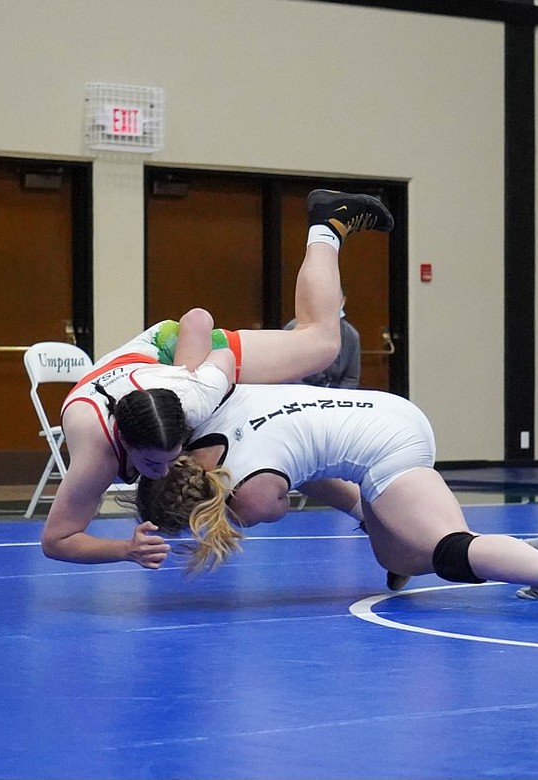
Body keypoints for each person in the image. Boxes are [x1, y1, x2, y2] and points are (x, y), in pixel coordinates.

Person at [41, 190, 394, 566]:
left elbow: (196, 321)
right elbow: (57, 539)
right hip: (127, 386)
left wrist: (207, 375)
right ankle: (370, 518)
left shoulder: (191, 397)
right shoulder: (96, 456)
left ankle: (328, 223)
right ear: (124, 442)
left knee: (321, 345)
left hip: (171, 351)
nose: (161, 472)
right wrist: (123, 550)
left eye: (166, 460)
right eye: (152, 465)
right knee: (268, 457)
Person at [135, 383, 538, 626]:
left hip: (388, 446)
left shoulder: (254, 496)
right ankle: (518, 558)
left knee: (448, 548)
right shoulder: (207, 414)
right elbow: (315, 476)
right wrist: (370, 516)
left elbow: (298, 488)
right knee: (396, 557)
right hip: (383, 411)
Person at [283, 292, 361, 388]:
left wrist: (336, 398)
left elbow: (350, 378)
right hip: (300, 395)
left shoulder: (351, 335)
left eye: (334, 300)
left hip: (336, 397)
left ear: (343, 301)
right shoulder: (292, 330)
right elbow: (286, 373)